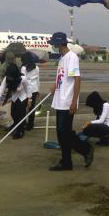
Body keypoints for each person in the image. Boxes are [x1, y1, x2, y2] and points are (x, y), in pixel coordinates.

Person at [48, 32, 93, 171]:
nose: (53, 46)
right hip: (59, 100)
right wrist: (55, 85)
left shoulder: (71, 57)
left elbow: (77, 79)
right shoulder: (62, 59)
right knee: (61, 134)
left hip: (67, 101)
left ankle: (85, 150)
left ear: (61, 43)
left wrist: (74, 101)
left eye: (55, 44)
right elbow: (62, 77)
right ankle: (67, 161)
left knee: (65, 132)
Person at [0, 64, 32, 139]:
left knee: (20, 115)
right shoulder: (6, 78)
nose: (9, 78)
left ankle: (20, 131)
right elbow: (1, 89)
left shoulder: (23, 78)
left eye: (11, 76)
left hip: (23, 97)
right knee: (13, 114)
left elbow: (28, 89)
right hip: (14, 97)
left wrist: (29, 99)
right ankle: (16, 127)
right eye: (8, 76)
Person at [21, 52, 40, 131]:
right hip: (34, 89)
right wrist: (38, 89)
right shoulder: (37, 67)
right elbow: (38, 80)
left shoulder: (24, 68)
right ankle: (30, 125)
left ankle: (23, 123)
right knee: (32, 108)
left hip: (26, 90)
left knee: (23, 108)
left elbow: (23, 80)